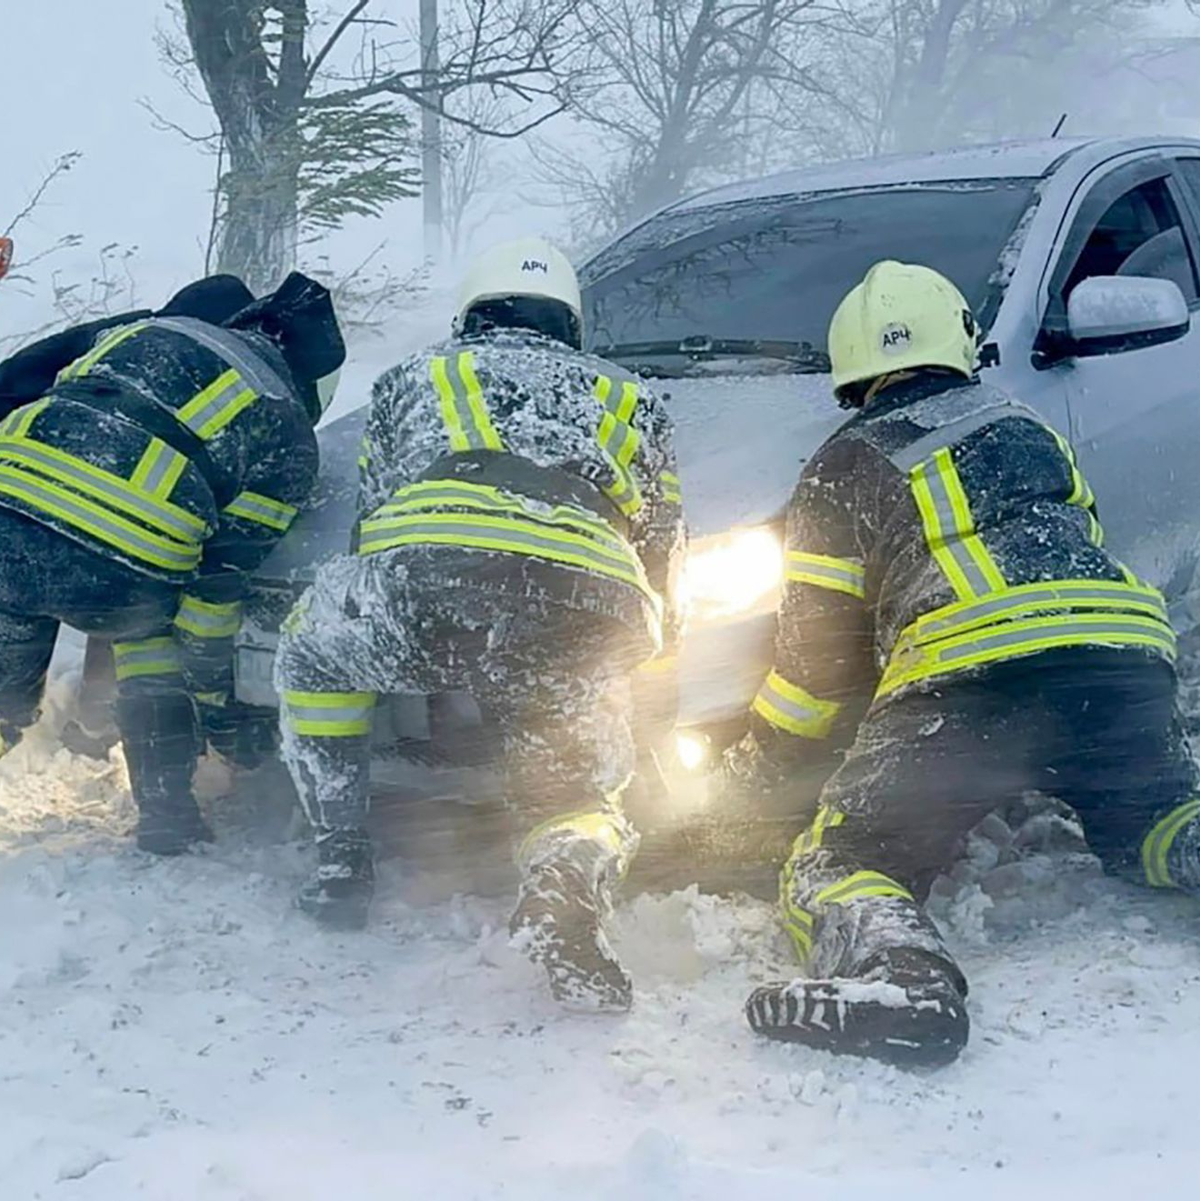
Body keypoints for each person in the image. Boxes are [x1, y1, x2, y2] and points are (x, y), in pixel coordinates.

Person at [721, 260, 1200, 1067]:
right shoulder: (1026, 428)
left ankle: (902, 980)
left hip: (967, 685)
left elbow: (818, 679)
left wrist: (749, 775)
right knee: (1156, 818)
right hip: (1120, 662)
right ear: (959, 342)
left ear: (851, 371)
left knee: (841, 860)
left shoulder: (842, 466)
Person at [274, 236, 685, 1012]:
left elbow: (375, 521)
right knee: (578, 788)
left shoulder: (416, 376)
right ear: (569, 322)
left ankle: (341, 856)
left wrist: (417, 629)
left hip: (431, 579)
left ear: (471, 314)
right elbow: (663, 557)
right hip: (585, 602)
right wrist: (646, 677)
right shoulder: (636, 397)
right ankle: (565, 882)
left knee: (313, 652)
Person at [0, 271, 345, 854]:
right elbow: (215, 592)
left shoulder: (151, 331)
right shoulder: (286, 430)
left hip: (7, 518)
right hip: (118, 573)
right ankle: (166, 815)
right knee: (151, 639)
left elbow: (28, 378)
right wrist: (217, 708)